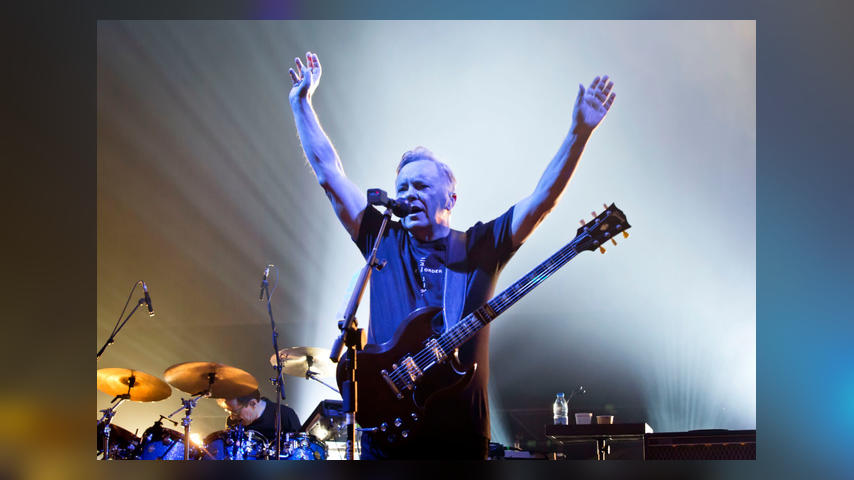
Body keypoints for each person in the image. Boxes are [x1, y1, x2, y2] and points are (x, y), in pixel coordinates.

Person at [287, 51, 615, 459]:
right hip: (387, 433)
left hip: (459, 432)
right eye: (403, 187)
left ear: (451, 197)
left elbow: (541, 200)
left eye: (421, 187)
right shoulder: (382, 236)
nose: (408, 195)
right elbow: (328, 174)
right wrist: (301, 103)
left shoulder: (478, 246)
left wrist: (578, 132)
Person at [220, 389, 301, 443]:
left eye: (235, 412)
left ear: (253, 403)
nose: (232, 417)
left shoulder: (285, 414)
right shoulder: (232, 421)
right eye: (229, 411)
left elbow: (300, 450)